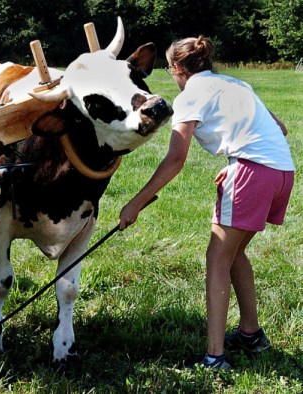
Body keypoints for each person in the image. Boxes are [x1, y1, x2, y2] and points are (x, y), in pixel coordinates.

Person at [118, 36, 294, 370]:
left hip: (254, 174)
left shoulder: (189, 97)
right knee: (235, 252)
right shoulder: (236, 83)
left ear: (174, 68)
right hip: (283, 172)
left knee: (217, 258)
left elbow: (174, 160)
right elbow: (281, 129)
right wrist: (238, 162)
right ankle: (251, 334)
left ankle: (214, 357)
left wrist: (135, 204)